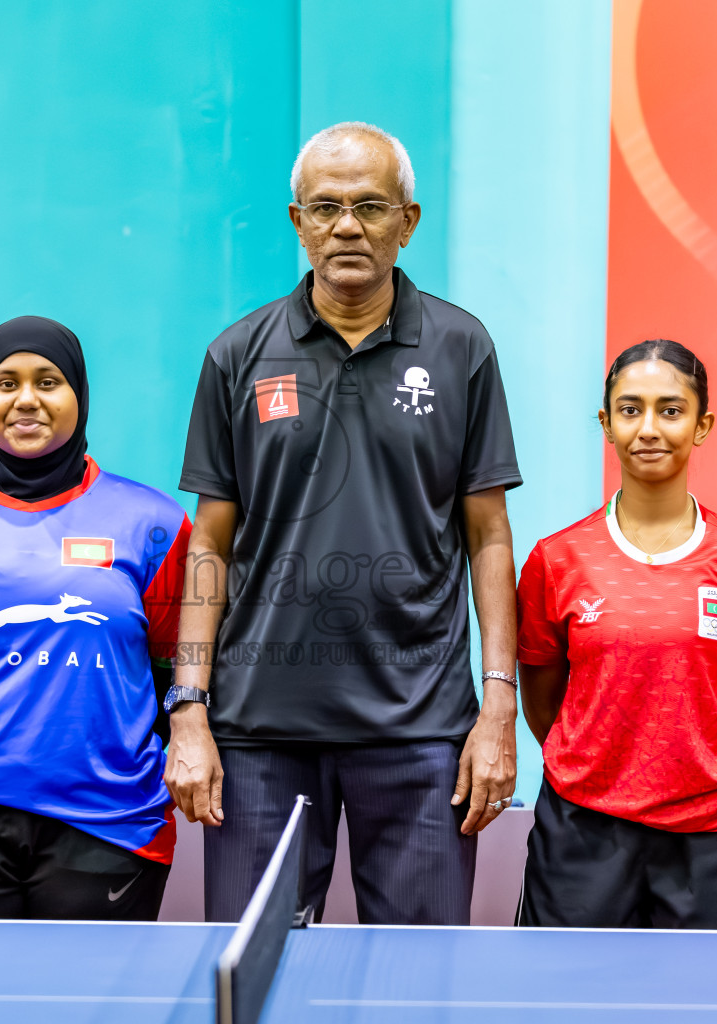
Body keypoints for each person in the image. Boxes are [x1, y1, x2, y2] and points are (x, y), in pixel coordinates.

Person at [171, 121, 523, 925]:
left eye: (371, 206)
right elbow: (211, 547)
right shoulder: (237, 354)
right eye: (325, 208)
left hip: (422, 732)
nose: (348, 227)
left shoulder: (462, 347)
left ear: (410, 220)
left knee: (416, 985)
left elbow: (489, 537)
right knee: (254, 988)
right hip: (259, 732)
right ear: (298, 223)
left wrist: (497, 709)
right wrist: (189, 706)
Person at [0, 316, 190, 920]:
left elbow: (169, 669)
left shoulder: (153, 523)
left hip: (106, 823)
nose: (26, 400)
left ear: (79, 394)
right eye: (6, 383)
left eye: (48, 381)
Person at [515, 340, 717, 929]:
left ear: (702, 425)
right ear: (606, 424)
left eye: (671, 410)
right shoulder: (557, 559)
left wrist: (709, 770)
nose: (649, 428)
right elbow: (541, 695)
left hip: (715, 837)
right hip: (583, 832)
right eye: (630, 409)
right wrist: (598, 763)